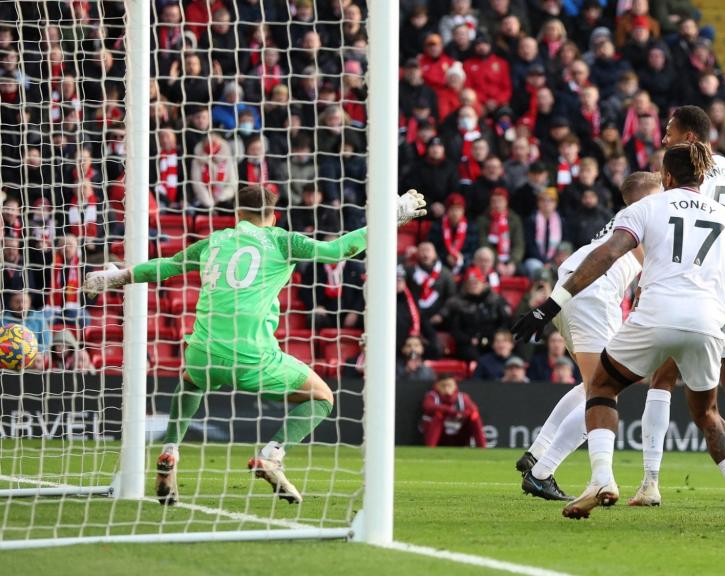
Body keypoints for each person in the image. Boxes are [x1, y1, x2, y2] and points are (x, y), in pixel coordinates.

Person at [82, 185, 426, 505]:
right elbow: (340, 250)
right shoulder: (281, 240)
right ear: (273, 216)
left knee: (191, 381)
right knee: (323, 396)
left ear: (237, 214)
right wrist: (392, 216)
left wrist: (116, 276)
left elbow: (168, 267)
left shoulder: (215, 241)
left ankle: (170, 450)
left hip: (202, 351)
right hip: (251, 356)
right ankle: (271, 456)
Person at [514, 143, 725, 527]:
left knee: (603, 386)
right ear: (702, 178)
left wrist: (551, 304)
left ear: (668, 177)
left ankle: (601, 479)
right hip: (709, 323)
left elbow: (607, 255)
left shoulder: (647, 207)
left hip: (655, 316)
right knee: (708, 414)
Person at [632, 105, 725, 509]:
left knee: (662, 379)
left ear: (691, 139)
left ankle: (650, 482)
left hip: (694, 290)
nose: (665, 140)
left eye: (671, 133)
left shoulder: (677, 177)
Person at [514, 172, 656, 502]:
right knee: (604, 390)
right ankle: (541, 472)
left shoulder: (628, 218)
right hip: (594, 290)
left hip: (574, 284)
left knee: (591, 384)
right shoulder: (649, 213)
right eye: (659, 190)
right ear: (645, 196)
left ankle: (538, 452)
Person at [420, 373, 487, 448]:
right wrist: (450, 411)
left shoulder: (462, 397)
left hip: (458, 433)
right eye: (444, 385)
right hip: (440, 437)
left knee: (474, 416)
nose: (447, 388)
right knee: (438, 415)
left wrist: (462, 414)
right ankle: (430, 448)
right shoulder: (432, 396)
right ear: (437, 386)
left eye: (449, 385)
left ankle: (482, 448)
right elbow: (428, 406)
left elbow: (473, 408)